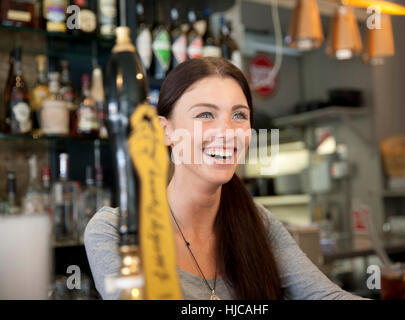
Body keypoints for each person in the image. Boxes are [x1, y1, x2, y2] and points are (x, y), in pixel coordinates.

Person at [84, 57, 365, 300]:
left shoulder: (259, 223)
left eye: (239, 115)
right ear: (165, 131)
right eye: (205, 114)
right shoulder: (112, 230)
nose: (227, 132)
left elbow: (325, 295)